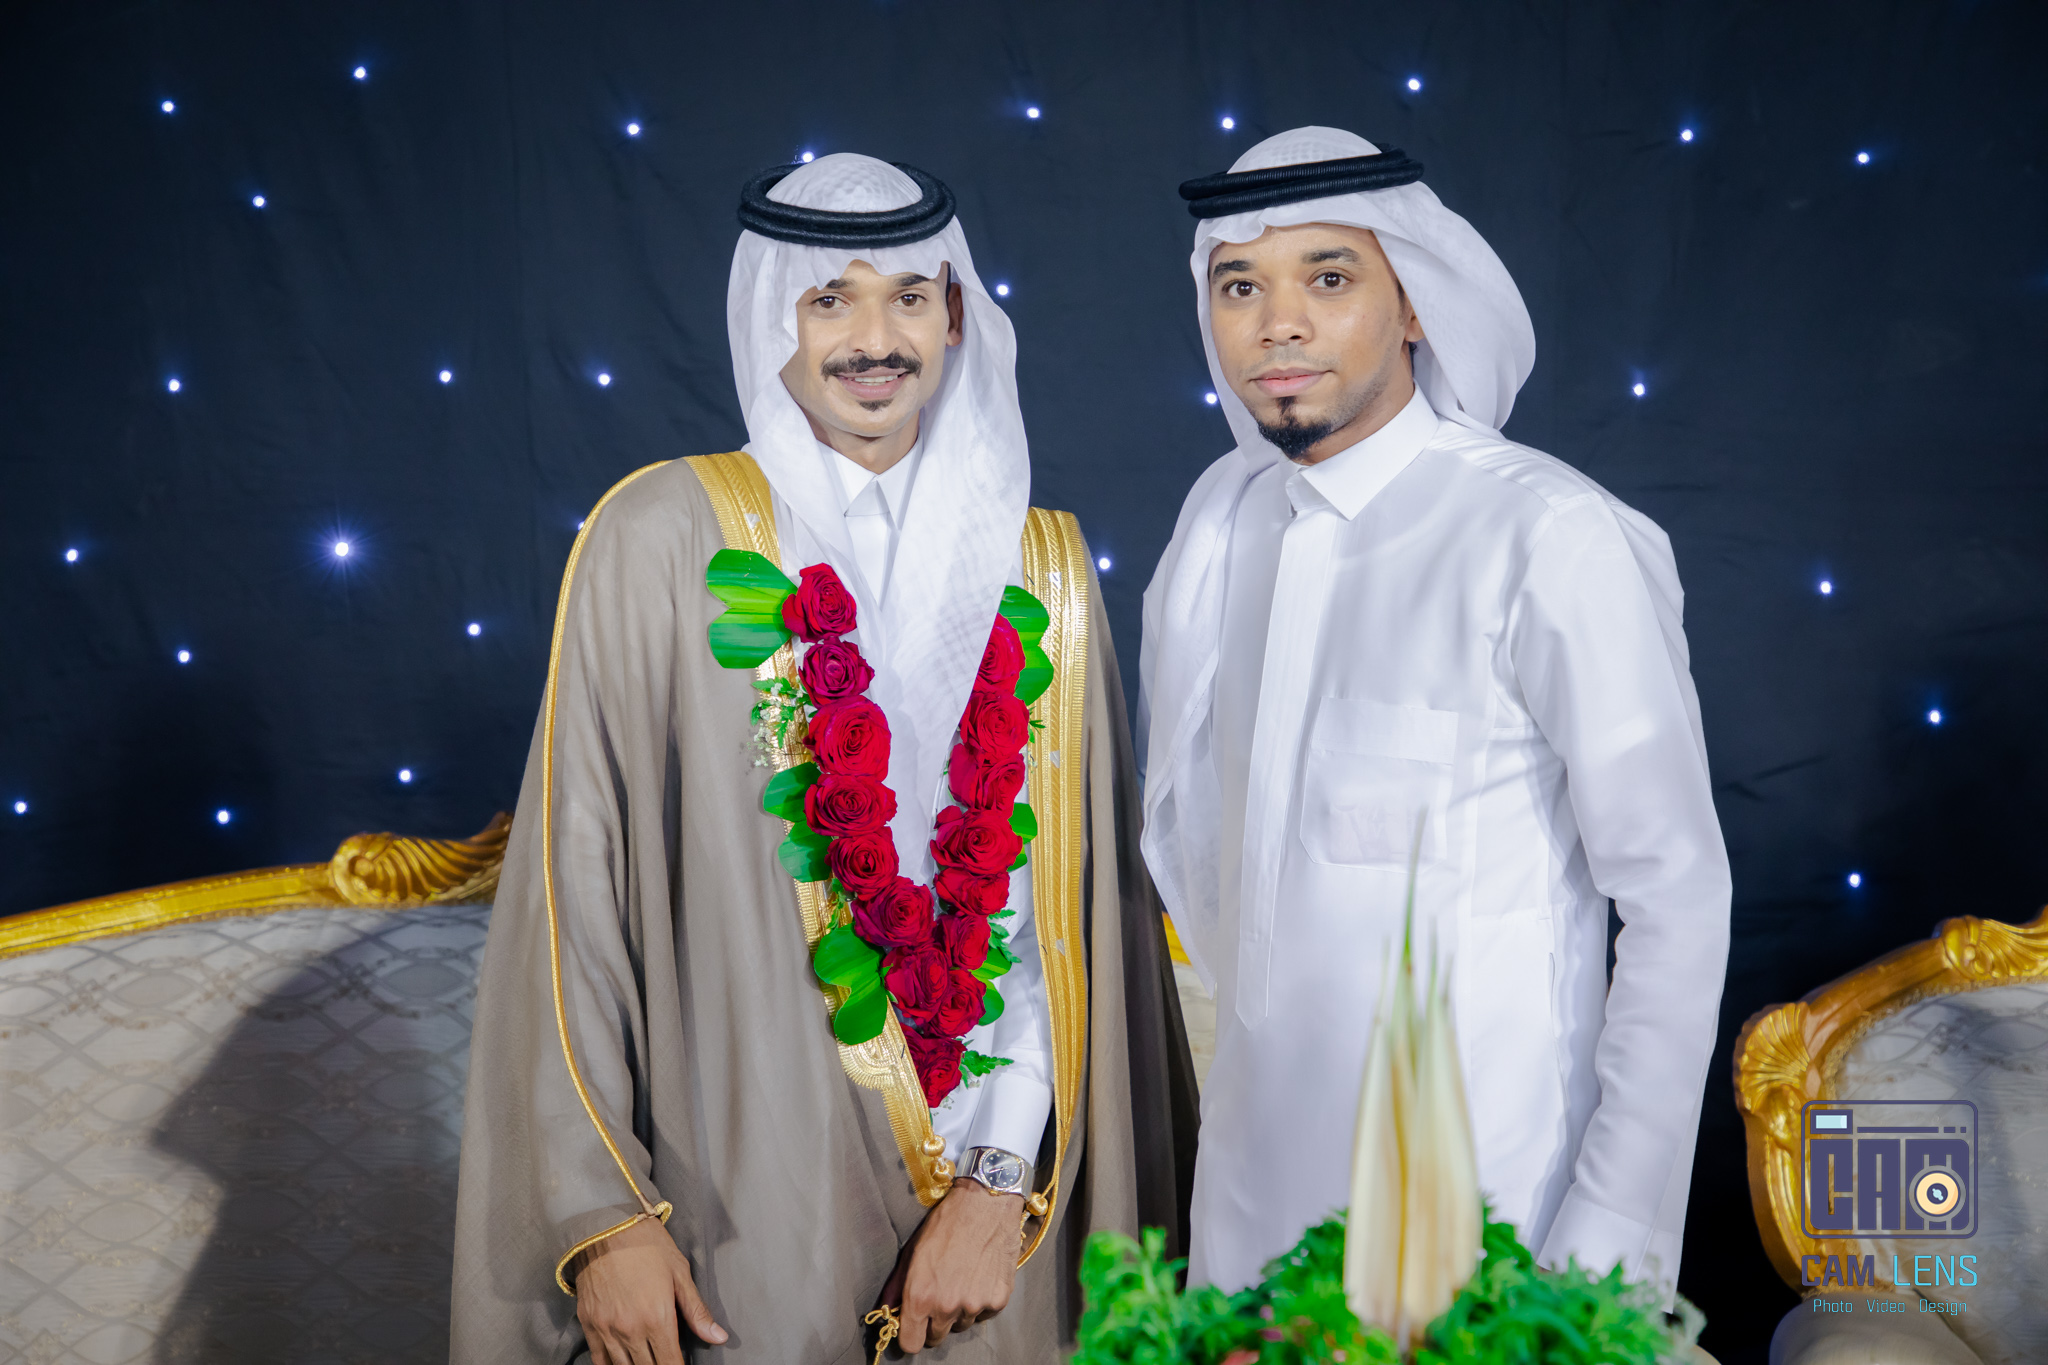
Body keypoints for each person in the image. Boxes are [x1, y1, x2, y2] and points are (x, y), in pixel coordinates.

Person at [453, 153, 1195, 1364]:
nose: (874, 340)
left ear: (955, 319)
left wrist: (997, 1183)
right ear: (771, 320)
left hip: (994, 1232)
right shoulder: (661, 539)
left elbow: (1059, 930)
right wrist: (602, 1219)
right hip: (735, 1204)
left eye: (908, 298)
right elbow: (569, 897)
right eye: (829, 300)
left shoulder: (1044, 572)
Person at [1139, 127, 1731, 1298]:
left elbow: (1675, 899)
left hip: (1493, 1217)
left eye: (1327, 278)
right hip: (1246, 1211)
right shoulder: (1221, 528)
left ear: (1413, 301)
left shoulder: (1543, 535)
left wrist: (1607, 1232)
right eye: (1239, 287)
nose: (1277, 325)